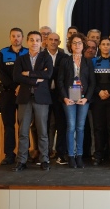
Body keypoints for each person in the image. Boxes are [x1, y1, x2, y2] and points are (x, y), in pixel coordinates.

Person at [12, 31, 53, 171]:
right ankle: (21, 160)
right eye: (31, 40)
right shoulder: (21, 59)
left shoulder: (46, 57)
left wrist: (28, 73)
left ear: (42, 42)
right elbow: (16, 77)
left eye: (37, 40)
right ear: (27, 42)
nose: (34, 42)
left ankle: (44, 160)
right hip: (24, 98)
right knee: (23, 131)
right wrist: (36, 79)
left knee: (42, 131)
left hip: (41, 99)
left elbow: (48, 74)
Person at [58, 33, 95, 168]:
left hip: (83, 99)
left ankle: (79, 155)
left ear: (83, 45)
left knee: (80, 127)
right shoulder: (65, 61)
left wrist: (87, 99)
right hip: (68, 98)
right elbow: (60, 81)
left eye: (79, 43)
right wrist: (64, 98)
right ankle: (71, 156)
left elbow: (92, 83)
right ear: (70, 45)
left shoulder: (88, 62)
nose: (77, 45)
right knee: (71, 126)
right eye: (74, 43)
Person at [0, 28, 29, 165]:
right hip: (8, 93)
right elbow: (1, 74)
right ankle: (9, 154)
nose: (16, 38)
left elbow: (30, 71)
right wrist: (14, 86)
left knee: (24, 125)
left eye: (19, 36)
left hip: (24, 93)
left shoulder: (27, 52)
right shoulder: (3, 53)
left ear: (22, 38)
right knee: (9, 125)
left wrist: (21, 86)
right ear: (10, 38)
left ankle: (24, 154)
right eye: (13, 36)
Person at [91, 37, 110, 166]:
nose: (106, 46)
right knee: (98, 128)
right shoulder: (93, 61)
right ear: (99, 47)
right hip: (98, 99)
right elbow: (91, 81)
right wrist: (99, 92)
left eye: (108, 44)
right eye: (103, 44)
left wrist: (109, 92)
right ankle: (98, 155)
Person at [44, 33, 69, 165]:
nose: (53, 42)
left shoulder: (64, 57)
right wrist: (55, 70)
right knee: (45, 124)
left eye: (56, 40)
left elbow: (61, 74)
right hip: (44, 94)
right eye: (51, 40)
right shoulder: (41, 56)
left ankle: (61, 153)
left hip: (60, 95)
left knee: (61, 124)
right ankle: (45, 153)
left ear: (59, 42)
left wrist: (50, 70)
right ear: (46, 41)